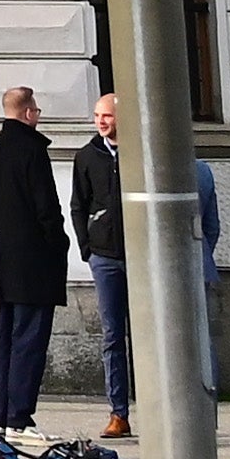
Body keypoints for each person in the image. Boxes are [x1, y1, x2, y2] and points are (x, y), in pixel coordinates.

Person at [0, 92, 76, 432]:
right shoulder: (33, 151)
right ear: (27, 113)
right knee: (30, 341)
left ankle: (2, 412)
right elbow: (46, 207)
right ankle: (19, 413)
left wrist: (8, 233)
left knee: (6, 339)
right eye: (35, 109)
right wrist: (58, 243)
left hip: (5, 258)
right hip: (36, 260)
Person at [72, 87, 148, 429]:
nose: (101, 122)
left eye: (108, 116)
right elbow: (78, 205)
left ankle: (155, 407)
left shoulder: (139, 151)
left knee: (148, 332)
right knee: (112, 335)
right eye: (98, 116)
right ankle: (119, 412)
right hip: (104, 256)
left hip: (140, 255)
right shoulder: (87, 156)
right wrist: (87, 247)